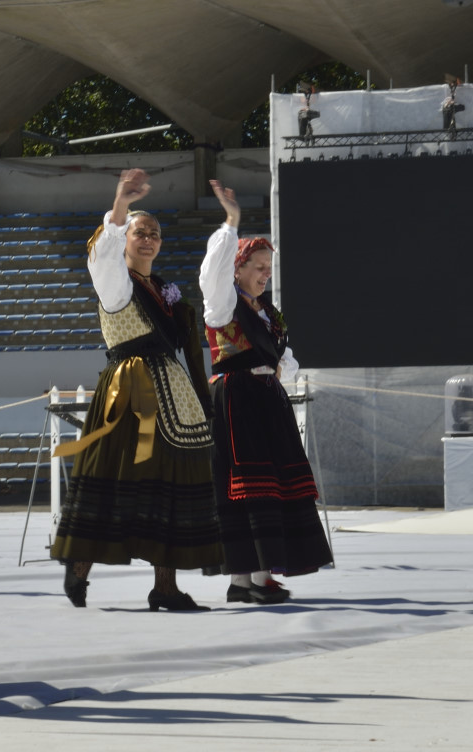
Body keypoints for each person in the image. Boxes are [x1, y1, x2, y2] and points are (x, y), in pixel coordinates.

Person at [50, 168, 221, 611]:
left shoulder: (165, 291)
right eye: (139, 233)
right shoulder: (116, 282)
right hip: (129, 390)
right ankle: (80, 565)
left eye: (154, 234)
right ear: (125, 238)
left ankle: (165, 585)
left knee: (172, 482)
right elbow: (100, 255)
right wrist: (120, 204)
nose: (147, 239)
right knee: (116, 478)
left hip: (174, 393)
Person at [197, 180, 333, 604]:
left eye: (268, 270)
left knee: (273, 484)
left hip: (266, 399)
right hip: (237, 400)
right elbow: (211, 274)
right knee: (248, 484)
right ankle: (247, 580)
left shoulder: (269, 314)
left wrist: (278, 368)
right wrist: (232, 222)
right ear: (237, 268)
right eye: (257, 266)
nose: (264, 275)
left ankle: (253, 579)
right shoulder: (223, 304)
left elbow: (284, 360)